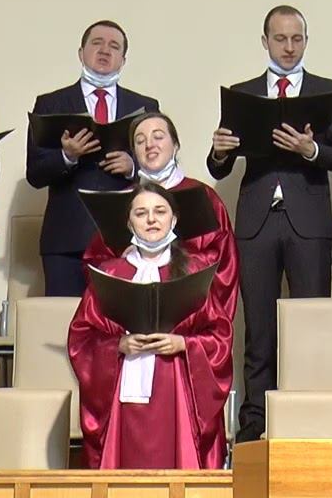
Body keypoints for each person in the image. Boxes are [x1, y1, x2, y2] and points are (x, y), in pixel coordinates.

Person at [208, 5, 332, 442]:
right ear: (265, 41)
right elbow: (218, 165)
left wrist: (312, 150)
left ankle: (311, 422)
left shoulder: (328, 91)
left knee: (311, 327)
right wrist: (219, 152)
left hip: (307, 222)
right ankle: (254, 424)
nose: (289, 47)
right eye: (280, 38)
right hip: (257, 222)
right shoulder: (244, 93)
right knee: (259, 330)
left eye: (296, 39)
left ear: (306, 41)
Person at [68, 184, 232, 468]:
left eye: (160, 211)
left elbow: (220, 336)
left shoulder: (193, 272)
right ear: (129, 222)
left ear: (174, 219)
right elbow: (81, 340)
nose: (151, 220)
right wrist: (117, 345)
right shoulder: (110, 274)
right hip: (122, 398)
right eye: (141, 213)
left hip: (176, 391)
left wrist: (184, 344)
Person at [27, 20, 159, 297]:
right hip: (66, 240)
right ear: (81, 52)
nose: (105, 51)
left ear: (123, 60)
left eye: (114, 46)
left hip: (125, 237)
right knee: (64, 319)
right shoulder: (51, 104)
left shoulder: (145, 106)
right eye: (97, 43)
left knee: (120, 319)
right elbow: (35, 173)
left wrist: (133, 167)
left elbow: (160, 165)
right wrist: (67, 156)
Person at [81, 112, 239, 314]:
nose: (149, 145)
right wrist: (125, 264)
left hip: (191, 312)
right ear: (134, 152)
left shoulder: (205, 197)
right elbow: (94, 263)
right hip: (132, 310)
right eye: (140, 141)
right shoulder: (121, 202)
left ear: (175, 145)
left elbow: (225, 264)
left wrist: (177, 263)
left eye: (158, 137)